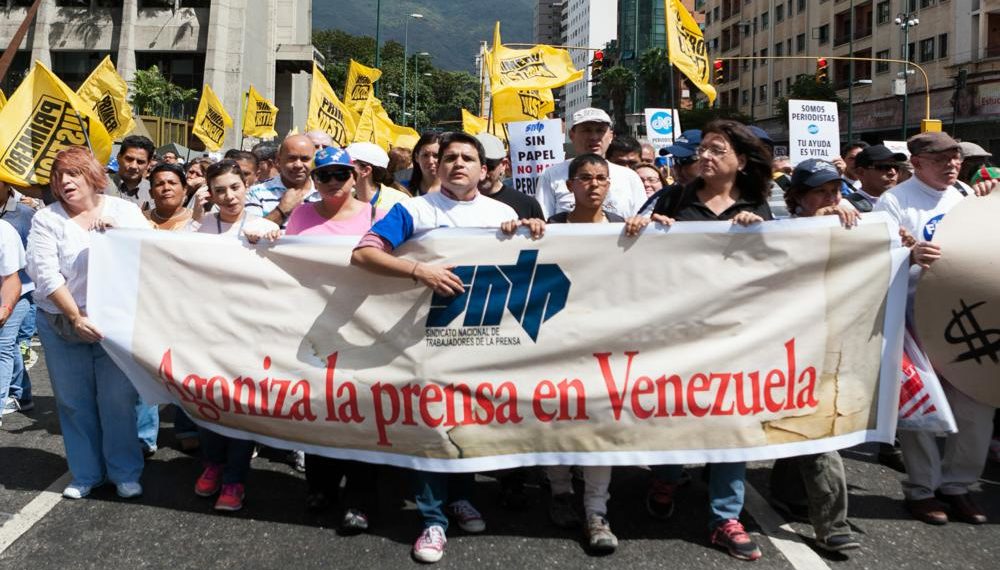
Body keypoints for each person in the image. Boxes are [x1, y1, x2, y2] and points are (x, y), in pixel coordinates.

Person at [352, 132, 542, 564]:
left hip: (482, 338)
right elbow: (364, 254)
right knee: (431, 425)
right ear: (435, 166)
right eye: (450, 157)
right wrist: (420, 270)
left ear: (484, 168)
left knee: (469, 422)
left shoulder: (503, 212)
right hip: (426, 340)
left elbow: (527, 262)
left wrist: (533, 233)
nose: (458, 163)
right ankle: (432, 519)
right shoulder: (414, 210)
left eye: (468, 158)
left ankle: (461, 496)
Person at [630, 119, 774, 562]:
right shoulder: (674, 198)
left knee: (732, 419)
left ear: (741, 161)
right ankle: (667, 475)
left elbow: (779, 266)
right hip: (678, 332)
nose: (705, 157)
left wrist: (759, 232)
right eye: (704, 150)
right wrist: (643, 226)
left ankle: (724, 516)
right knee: (675, 408)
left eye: (717, 150)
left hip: (735, 335)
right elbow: (638, 244)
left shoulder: (758, 208)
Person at [875, 131, 996, 526]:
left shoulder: (965, 195)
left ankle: (958, 485)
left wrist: (992, 198)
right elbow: (875, 256)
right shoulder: (894, 201)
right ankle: (922, 490)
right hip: (916, 324)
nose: (952, 165)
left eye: (956, 157)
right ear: (918, 162)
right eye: (942, 159)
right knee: (924, 414)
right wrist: (907, 254)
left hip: (969, 321)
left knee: (976, 411)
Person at [26, 146, 150, 500]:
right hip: (62, 325)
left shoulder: (125, 211)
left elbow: (149, 255)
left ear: (93, 175)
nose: (65, 182)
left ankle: (124, 472)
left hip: (115, 325)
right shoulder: (46, 219)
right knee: (73, 401)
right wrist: (76, 317)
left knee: (117, 401)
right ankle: (85, 474)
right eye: (59, 176)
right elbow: (47, 275)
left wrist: (120, 237)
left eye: (74, 173)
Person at [285, 146, 385, 532]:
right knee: (318, 408)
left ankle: (360, 499)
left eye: (339, 174)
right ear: (314, 180)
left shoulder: (375, 215)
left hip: (362, 325)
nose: (331, 182)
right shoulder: (301, 214)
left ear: (355, 175)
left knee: (361, 411)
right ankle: (321, 487)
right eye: (323, 175)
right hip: (313, 325)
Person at [768, 159, 861, 552]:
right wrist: (812, 230)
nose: (831, 199)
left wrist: (903, 240)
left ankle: (786, 492)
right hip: (787, 347)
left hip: (833, 344)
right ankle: (832, 524)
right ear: (796, 198)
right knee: (817, 430)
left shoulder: (858, 225)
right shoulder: (778, 232)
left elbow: (891, 249)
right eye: (821, 192)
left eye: (835, 191)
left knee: (806, 425)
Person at [187, 159, 279, 512]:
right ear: (210, 193)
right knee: (210, 400)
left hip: (249, 331)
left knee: (240, 405)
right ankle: (212, 464)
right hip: (209, 329)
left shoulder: (259, 223)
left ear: (246, 186)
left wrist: (272, 234)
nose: (228, 196)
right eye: (220, 190)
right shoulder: (202, 226)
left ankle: (235, 479)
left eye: (235, 188)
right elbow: (170, 256)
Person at [543, 154, 623, 554]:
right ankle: (559, 490)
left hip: (604, 343)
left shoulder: (628, 230)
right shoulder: (551, 228)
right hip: (557, 339)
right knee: (558, 417)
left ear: (609, 185)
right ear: (570, 185)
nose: (594, 185)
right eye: (585, 178)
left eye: (601, 178)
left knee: (598, 424)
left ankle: (596, 510)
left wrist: (656, 231)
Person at [534, 108, 646, 219]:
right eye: (586, 130)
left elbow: (643, 222)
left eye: (600, 131)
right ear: (572, 135)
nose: (594, 137)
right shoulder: (552, 175)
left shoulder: (629, 177)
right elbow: (543, 222)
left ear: (611, 136)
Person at [0, 180, 36, 417]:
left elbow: (34, 255)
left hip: (19, 290)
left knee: (2, 346)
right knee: (9, 345)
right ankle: (22, 393)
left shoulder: (24, 214)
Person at [245, 134, 318, 229]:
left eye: (305, 159)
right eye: (292, 158)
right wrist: (281, 210)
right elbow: (250, 234)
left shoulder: (325, 192)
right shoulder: (256, 193)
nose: (298, 165)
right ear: (278, 161)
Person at [473, 133, 544, 220]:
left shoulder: (527, 205)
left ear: (503, 165)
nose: (482, 173)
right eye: (476, 165)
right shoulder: (454, 204)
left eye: (490, 166)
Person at [344, 142, 411, 211]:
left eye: (346, 163)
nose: (339, 167)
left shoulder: (400, 202)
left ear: (366, 170)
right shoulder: (343, 198)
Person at [846, 144, 908, 212]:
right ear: (861, 172)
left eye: (896, 167)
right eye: (884, 167)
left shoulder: (906, 201)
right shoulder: (847, 207)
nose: (893, 172)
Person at [105, 135, 155, 211]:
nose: (133, 166)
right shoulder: (99, 184)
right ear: (119, 157)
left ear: (148, 164)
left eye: (140, 162)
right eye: (129, 159)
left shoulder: (154, 191)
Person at [145, 164, 193, 231]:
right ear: (151, 193)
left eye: (172, 183)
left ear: (184, 190)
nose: (166, 188)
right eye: (159, 184)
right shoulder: (140, 219)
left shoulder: (197, 219)